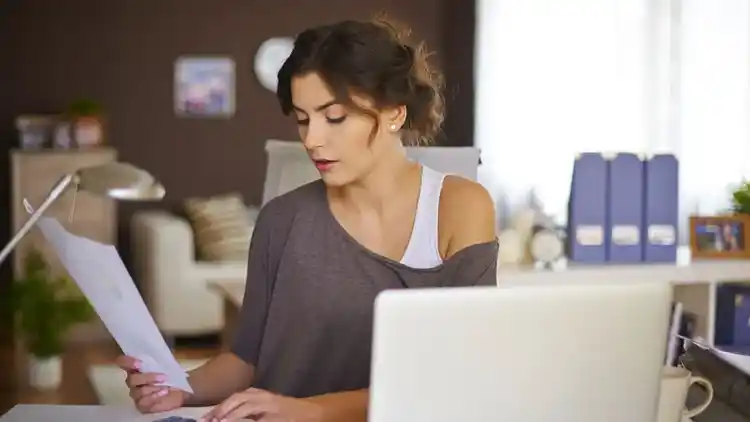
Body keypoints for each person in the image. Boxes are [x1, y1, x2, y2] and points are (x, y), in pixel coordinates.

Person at [117, 16, 498, 422]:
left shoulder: (460, 207)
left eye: (334, 117)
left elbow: (458, 373)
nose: (312, 139)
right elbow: (246, 360)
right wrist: (179, 386)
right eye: (302, 119)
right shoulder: (280, 221)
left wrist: (311, 411)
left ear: (393, 114)